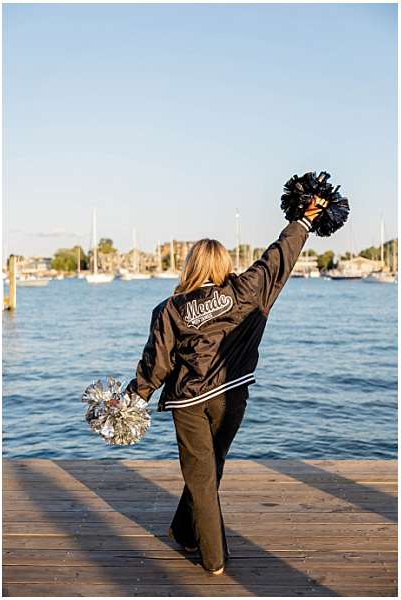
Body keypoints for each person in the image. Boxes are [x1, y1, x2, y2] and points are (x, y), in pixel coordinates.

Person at [125, 198, 326, 575]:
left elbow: (157, 363)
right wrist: (304, 220)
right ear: (223, 265)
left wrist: (134, 398)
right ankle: (184, 531)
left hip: (189, 401)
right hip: (232, 397)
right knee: (209, 469)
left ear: (191, 265)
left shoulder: (170, 309)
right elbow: (278, 258)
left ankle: (213, 560)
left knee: (202, 475)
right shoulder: (248, 290)